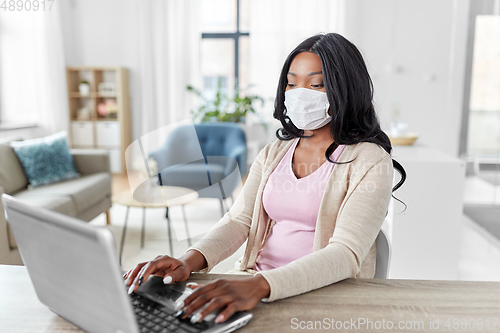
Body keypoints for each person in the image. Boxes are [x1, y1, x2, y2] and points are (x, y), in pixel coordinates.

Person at [124, 33, 406, 325]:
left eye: (316, 84)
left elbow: (345, 254)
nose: (299, 93)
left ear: (345, 88)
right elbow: (239, 221)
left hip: (321, 294)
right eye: (292, 83)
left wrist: (261, 286)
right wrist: (188, 260)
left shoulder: (369, 161)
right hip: (252, 284)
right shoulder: (275, 152)